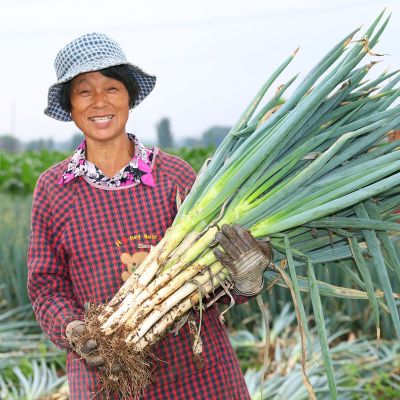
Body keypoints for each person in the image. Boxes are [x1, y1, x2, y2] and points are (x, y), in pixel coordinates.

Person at [27, 33, 272, 399]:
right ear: (71, 106)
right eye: (84, 91)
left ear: (128, 97)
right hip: (105, 380)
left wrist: (244, 280)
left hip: (199, 376)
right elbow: (46, 286)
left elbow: (212, 277)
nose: (99, 102)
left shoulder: (176, 176)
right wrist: (74, 329)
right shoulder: (53, 190)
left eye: (111, 88)